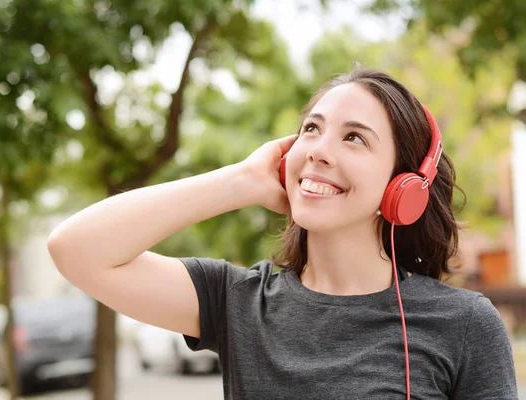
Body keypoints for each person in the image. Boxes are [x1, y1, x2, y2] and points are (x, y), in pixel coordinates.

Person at [47, 67, 518, 399]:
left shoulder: (464, 324)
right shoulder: (235, 300)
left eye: (354, 137)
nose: (318, 150)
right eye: (310, 129)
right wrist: (241, 181)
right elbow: (75, 249)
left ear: (404, 187)